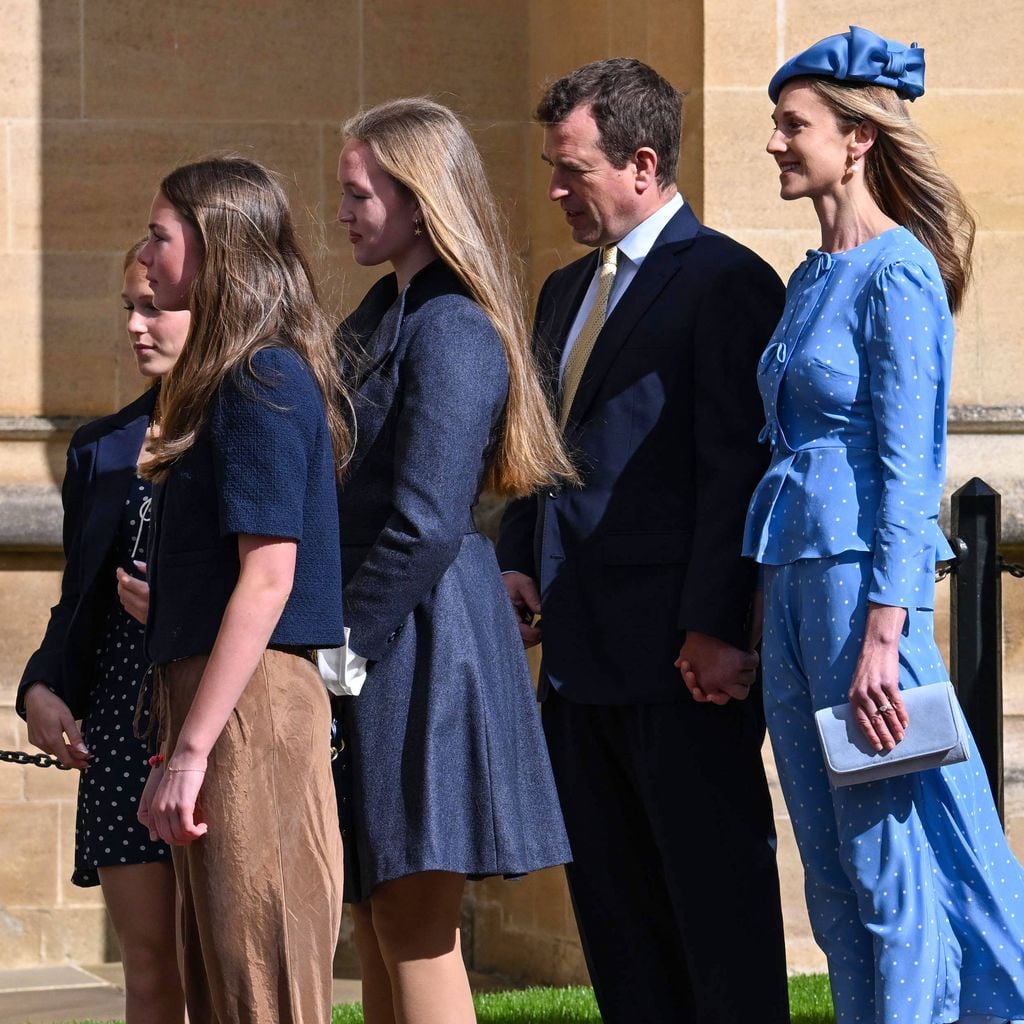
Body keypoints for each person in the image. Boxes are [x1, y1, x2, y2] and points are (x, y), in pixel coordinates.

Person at [739, 25, 1024, 1024]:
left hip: (864, 601)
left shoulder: (899, 274)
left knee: (885, 857)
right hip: (792, 589)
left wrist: (884, 635)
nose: (774, 141)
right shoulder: (813, 274)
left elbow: (912, 473)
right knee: (829, 864)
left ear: (855, 138)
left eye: (792, 124)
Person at [496, 58, 790, 1023]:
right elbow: (544, 447)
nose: (555, 190)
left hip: (681, 665)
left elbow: (734, 468)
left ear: (642, 163)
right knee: (619, 936)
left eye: (571, 170)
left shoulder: (726, 281)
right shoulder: (561, 292)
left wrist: (718, 626)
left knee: (717, 928)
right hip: (579, 666)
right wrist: (514, 554)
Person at [332, 97, 573, 1024]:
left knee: (417, 928)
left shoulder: (452, 327)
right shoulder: (384, 314)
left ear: (419, 196)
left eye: (360, 194)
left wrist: (342, 643)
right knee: (387, 924)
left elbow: (428, 519)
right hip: (397, 633)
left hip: (422, 640)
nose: (346, 212)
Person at [136, 156, 349, 1024]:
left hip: (253, 705)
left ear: (214, 247)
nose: (144, 255)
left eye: (160, 235)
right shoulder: (231, 380)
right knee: (224, 985)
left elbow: (268, 578)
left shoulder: (262, 379)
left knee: (264, 986)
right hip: (220, 702)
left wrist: (191, 751)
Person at [17, 241, 187, 1024]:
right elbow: (76, 601)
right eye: (129, 308)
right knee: (148, 966)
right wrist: (42, 687)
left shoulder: (253, 429)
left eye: (155, 307)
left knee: (221, 960)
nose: (136, 326)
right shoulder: (100, 445)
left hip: (215, 721)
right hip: (121, 724)